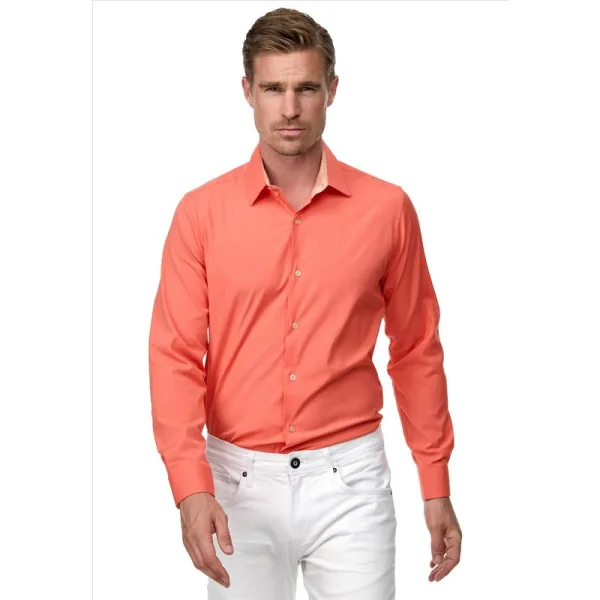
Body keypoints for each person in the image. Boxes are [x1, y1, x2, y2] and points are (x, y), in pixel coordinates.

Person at [148, 7, 462, 599]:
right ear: (247, 91)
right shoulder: (201, 214)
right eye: (273, 89)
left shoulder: (387, 209)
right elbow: (175, 355)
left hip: (351, 482)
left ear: (332, 90)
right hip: (234, 483)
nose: (289, 108)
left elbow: (416, 348)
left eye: (306, 88)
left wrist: (435, 482)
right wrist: (189, 486)